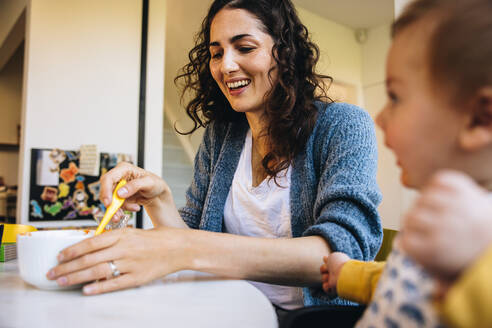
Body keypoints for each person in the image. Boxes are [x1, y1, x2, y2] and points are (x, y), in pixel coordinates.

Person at [47, 0, 382, 313]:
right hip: (227, 310)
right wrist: (160, 199)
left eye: (245, 47)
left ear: (283, 52)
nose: (227, 65)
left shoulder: (343, 125)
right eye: (216, 53)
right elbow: (189, 236)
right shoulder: (222, 136)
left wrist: (183, 249)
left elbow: (341, 253)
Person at [320, 0, 492, 326]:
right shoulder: (435, 214)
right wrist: (347, 273)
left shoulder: (481, 238)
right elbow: (402, 280)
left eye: (396, 97)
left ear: (479, 119)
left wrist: (479, 256)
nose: (380, 118)